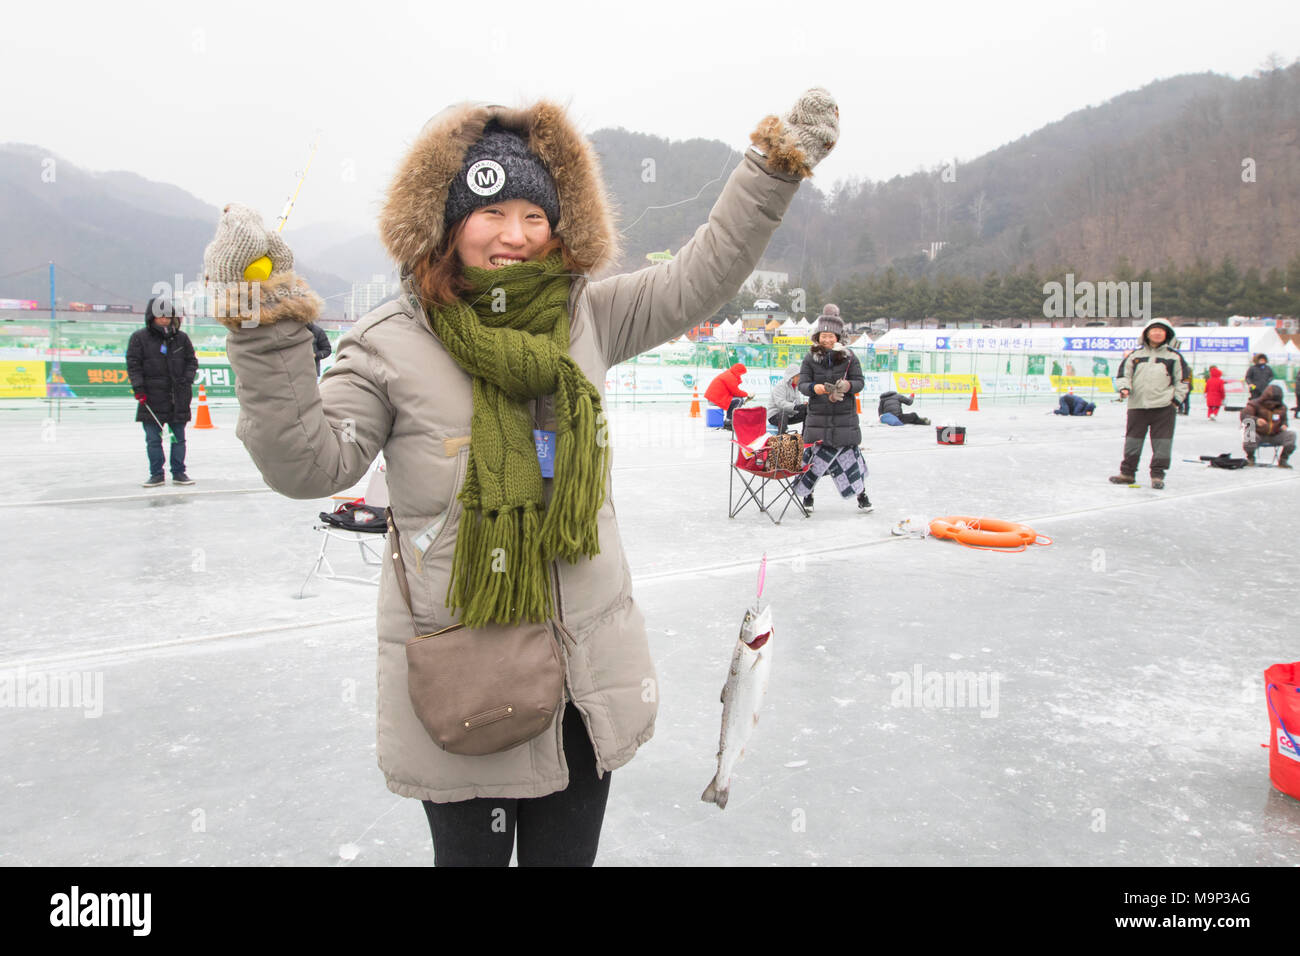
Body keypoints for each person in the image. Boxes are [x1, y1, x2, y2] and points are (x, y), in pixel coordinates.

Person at [211, 92, 838, 866]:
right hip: (467, 684)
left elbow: (701, 274)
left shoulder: (588, 317)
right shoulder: (388, 344)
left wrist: (771, 170)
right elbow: (308, 464)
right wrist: (262, 326)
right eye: (490, 211)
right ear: (444, 221)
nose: (515, 235)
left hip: (584, 683)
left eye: (534, 216)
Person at [793, 305, 871, 512]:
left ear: (838, 337)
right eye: (823, 336)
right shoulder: (810, 358)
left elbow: (860, 382)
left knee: (852, 461)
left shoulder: (850, 357)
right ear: (817, 337)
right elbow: (802, 384)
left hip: (845, 419)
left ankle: (862, 496)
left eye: (831, 336)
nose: (827, 340)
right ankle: (808, 496)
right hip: (818, 419)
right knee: (812, 462)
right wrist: (814, 388)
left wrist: (847, 386)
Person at [1109, 319, 1189, 489]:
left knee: (1162, 443)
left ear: (1167, 334)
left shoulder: (1174, 357)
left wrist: (1175, 401)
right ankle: (1127, 473)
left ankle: (1157, 475)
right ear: (1146, 333)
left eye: (1162, 330)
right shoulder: (1135, 356)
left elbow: (1183, 381)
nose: (1158, 333)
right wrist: (1124, 388)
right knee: (1132, 441)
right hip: (1137, 405)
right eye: (1154, 330)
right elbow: (1124, 375)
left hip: (1164, 407)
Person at [125, 296, 197, 487]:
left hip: (177, 398)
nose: (164, 319)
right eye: (160, 316)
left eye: (168, 315)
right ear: (151, 317)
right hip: (151, 399)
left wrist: (186, 380)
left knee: (178, 439)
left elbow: (192, 361)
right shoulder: (139, 338)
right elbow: (134, 365)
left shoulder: (181, 338)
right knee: (153, 440)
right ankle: (156, 474)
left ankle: (179, 472)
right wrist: (139, 388)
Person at [1240, 383, 1294, 467]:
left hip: (1275, 434)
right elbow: (1244, 417)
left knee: (1291, 435)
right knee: (1249, 434)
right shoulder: (1254, 404)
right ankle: (1250, 457)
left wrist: (1284, 425)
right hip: (1258, 434)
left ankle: (1283, 460)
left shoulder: (1282, 407)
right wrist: (1256, 420)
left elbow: (1284, 420)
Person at [704, 361, 750, 431]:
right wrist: (747, 394)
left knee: (734, 400)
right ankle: (729, 422)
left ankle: (728, 420)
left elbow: (733, 391)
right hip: (715, 400)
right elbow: (736, 392)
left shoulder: (728, 374)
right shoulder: (730, 377)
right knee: (739, 400)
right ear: (738, 372)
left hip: (714, 398)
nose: (740, 376)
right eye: (741, 374)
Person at [767, 364, 807, 433]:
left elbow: (797, 404)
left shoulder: (795, 387)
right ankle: (781, 438)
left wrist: (802, 405)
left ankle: (804, 436)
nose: (800, 378)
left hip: (789, 414)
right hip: (775, 416)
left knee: (807, 411)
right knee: (783, 413)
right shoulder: (781, 385)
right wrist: (796, 407)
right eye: (798, 376)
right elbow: (780, 404)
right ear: (791, 377)